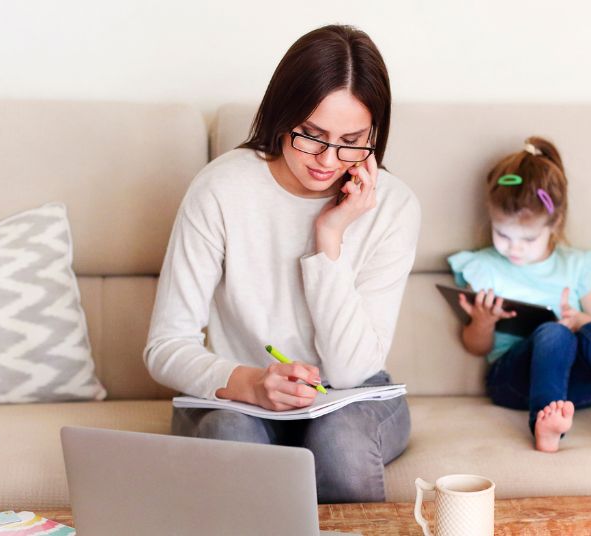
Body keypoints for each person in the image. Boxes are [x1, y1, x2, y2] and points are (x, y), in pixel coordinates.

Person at [143, 24, 421, 502]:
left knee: (341, 444)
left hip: (347, 397)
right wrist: (250, 383)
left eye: (352, 140)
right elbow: (165, 345)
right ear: (281, 114)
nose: (328, 161)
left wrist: (329, 238)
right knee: (234, 439)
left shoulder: (393, 207)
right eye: (311, 136)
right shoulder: (221, 189)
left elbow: (350, 370)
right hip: (240, 398)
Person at [447, 137, 591, 457]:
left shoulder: (576, 266)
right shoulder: (485, 269)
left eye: (528, 238)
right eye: (502, 234)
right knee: (552, 332)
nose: (513, 248)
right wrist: (483, 322)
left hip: (579, 389)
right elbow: (476, 347)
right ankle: (544, 425)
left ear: (554, 223)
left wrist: (579, 320)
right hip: (514, 383)